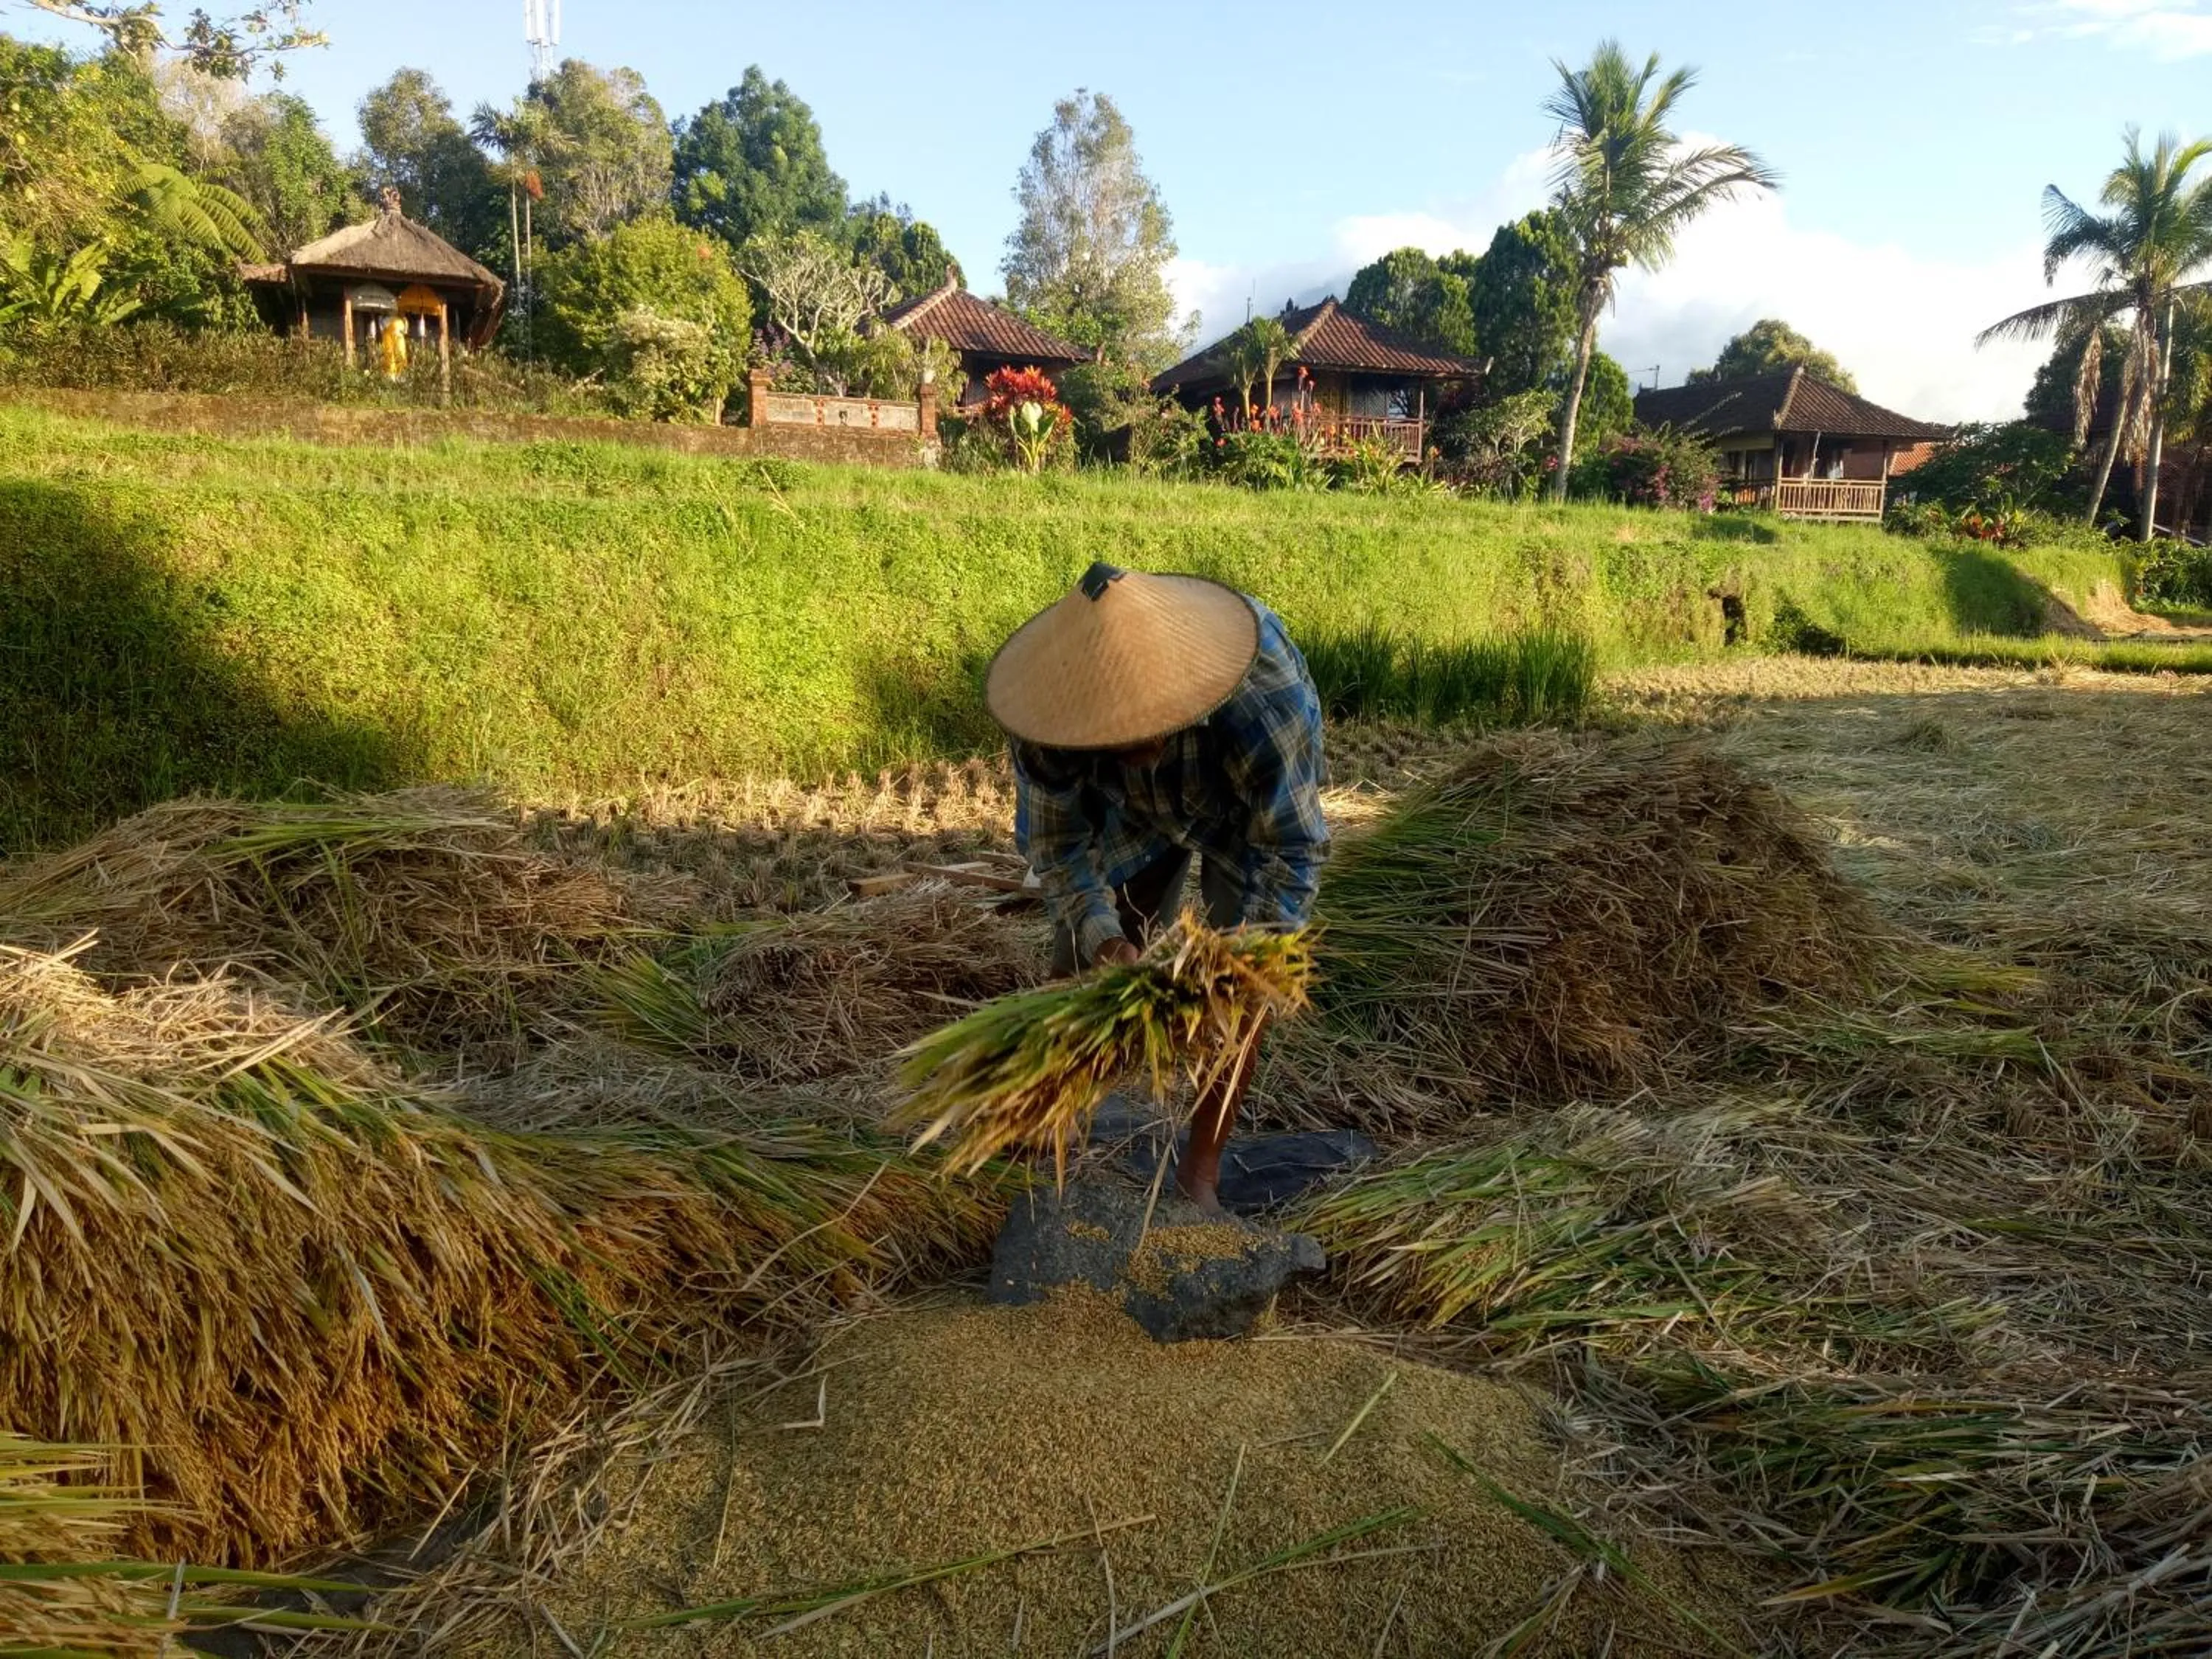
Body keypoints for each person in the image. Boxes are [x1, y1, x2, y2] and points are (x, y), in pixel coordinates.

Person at [984, 560, 1329, 1213]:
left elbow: (1289, 850)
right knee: (1077, 972)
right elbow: (1058, 849)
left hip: (1239, 811)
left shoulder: (1262, 701)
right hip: (1128, 813)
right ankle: (1046, 1127)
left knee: (1239, 993)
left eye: (1145, 724)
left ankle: (1199, 1175)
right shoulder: (1049, 722)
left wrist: (1236, 964)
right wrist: (1106, 940)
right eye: (1113, 734)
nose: (1134, 742)